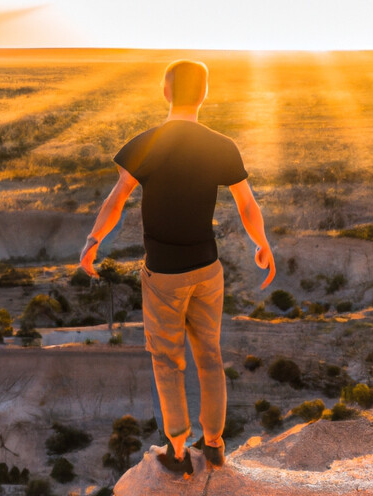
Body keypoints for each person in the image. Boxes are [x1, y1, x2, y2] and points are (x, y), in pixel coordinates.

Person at [80, 59, 275, 475]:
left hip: (164, 274)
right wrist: (262, 245)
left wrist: (93, 241)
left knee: (168, 361)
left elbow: (115, 201)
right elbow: (247, 203)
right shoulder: (222, 145)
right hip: (207, 269)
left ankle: (178, 450)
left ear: (165, 91)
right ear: (204, 94)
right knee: (210, 355)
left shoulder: (146, 144)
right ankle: (216, 444)